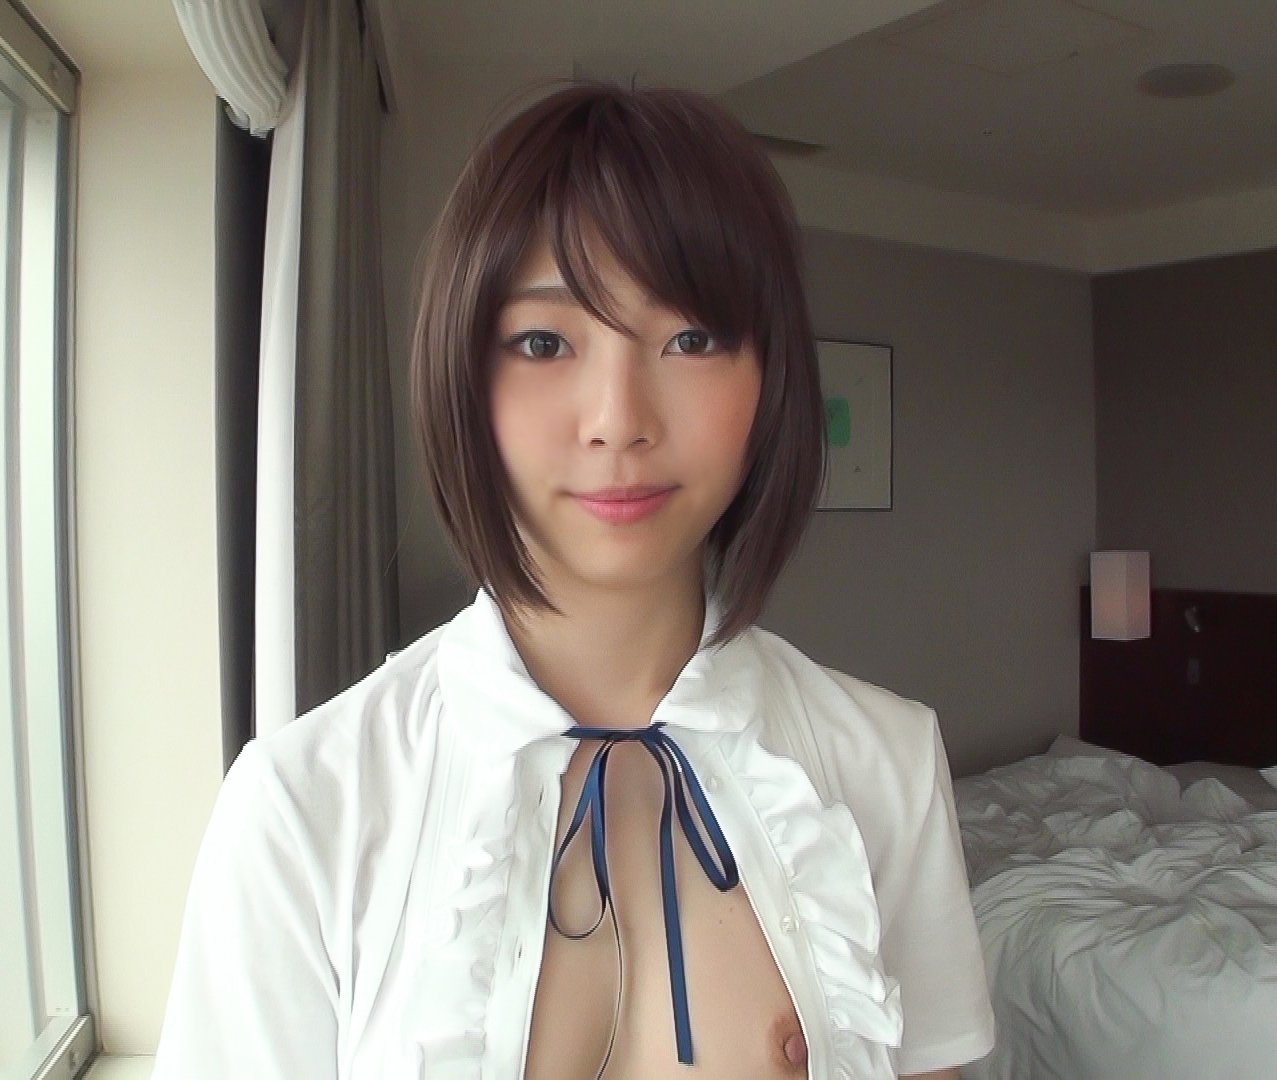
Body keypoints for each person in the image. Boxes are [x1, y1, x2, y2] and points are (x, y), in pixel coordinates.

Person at [151, 80, 995, 1080]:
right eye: (545, 342)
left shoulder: (886, 765)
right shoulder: (302, 810)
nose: (618, 420)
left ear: (770, 380)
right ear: (463, 375)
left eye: (691, 339)